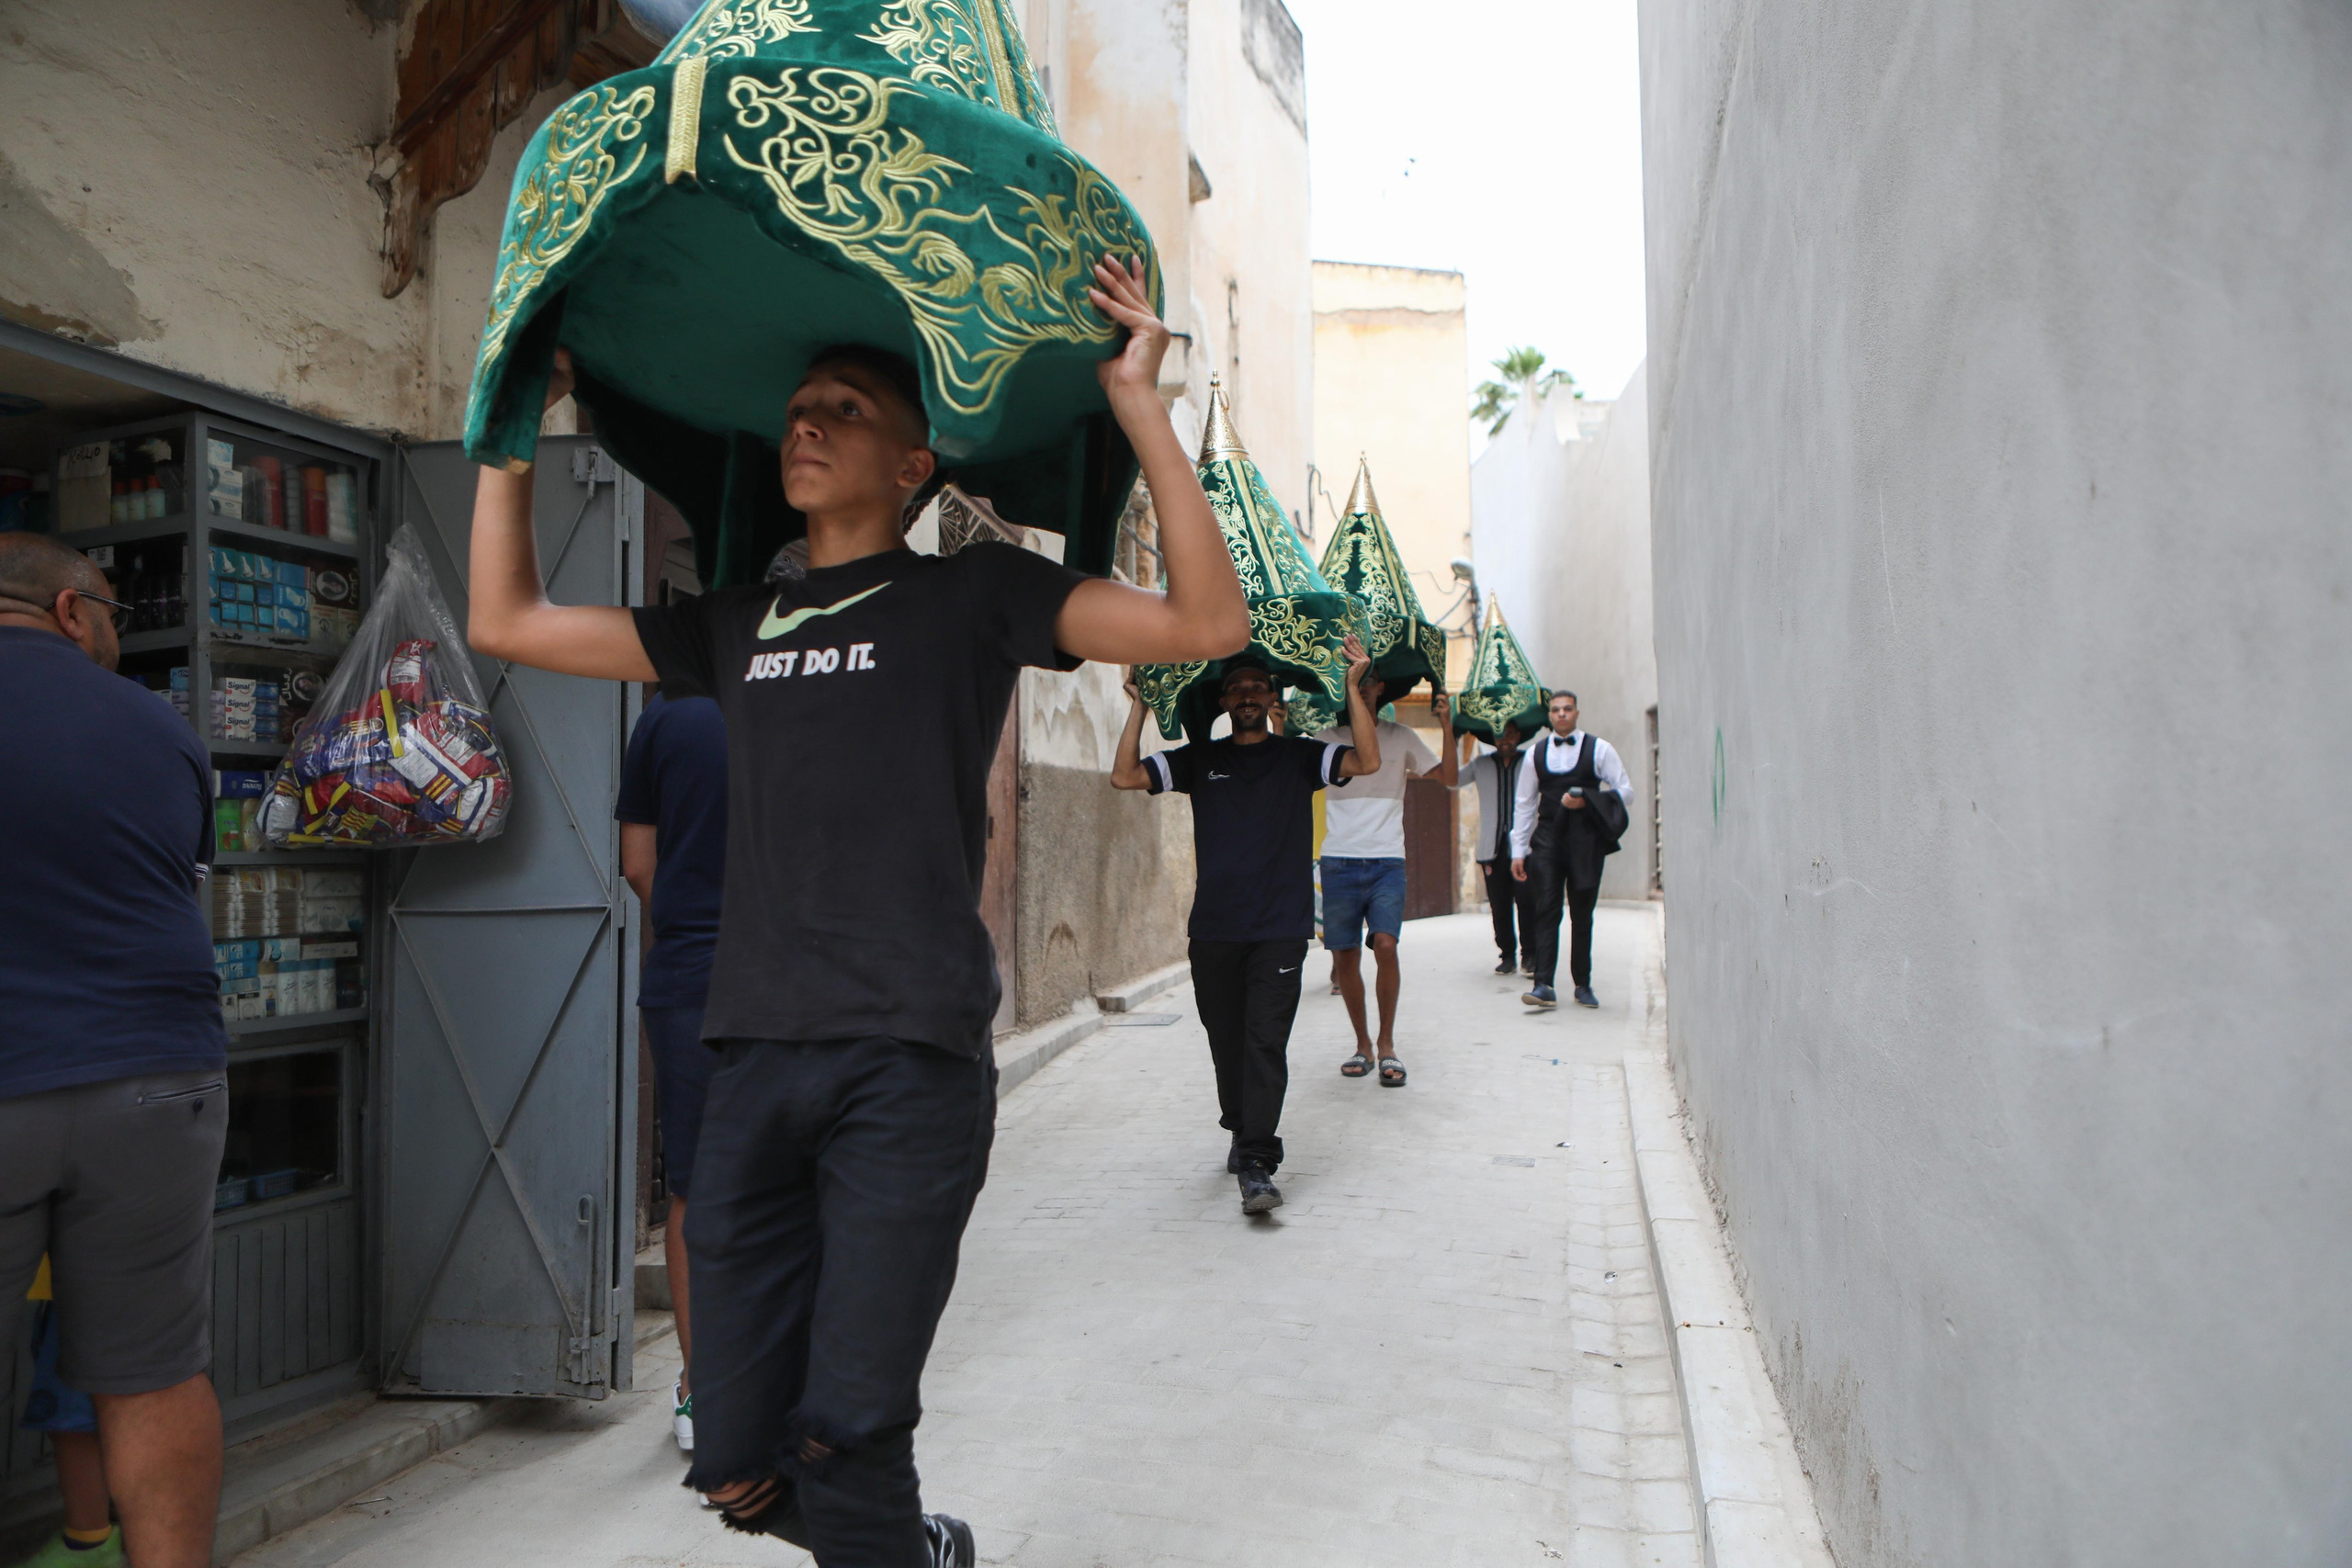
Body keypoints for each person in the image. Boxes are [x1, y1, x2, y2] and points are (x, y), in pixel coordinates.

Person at [463, 255, 1248, 1568]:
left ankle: (889, 1532)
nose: (807, 426)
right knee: (734, 1462)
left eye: (844, 410)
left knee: (849, 1431)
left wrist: (1140, 406)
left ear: (913, 465)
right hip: (753, 1057)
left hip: (906, 1059)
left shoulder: (975, 595)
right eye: (798, 412)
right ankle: (910, 1549)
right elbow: (504, 617)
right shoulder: (734, 622)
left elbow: (1207, 622)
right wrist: (506, 430)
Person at [0, 533, 229, 1568]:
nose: (116, 640)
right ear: (67, 611)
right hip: (158, 1077)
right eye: (111, 617)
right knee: (154, 1371)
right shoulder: (160, 727)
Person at [1109, 646, 1380, 1213]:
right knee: (1226, 1040)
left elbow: (1366, 761)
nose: (1249, 695)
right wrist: (1138, 706)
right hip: (1214, 930)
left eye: (1259, 686)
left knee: (1264, 1042)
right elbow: (1124, 775)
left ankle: (1258, 1162)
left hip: (1279, 928)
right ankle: (1240, 1126)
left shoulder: (1300, 756)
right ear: (1225, 701)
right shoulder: (1199, 759)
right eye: (1239, 688)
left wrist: (1354, 688)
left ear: (1272, 698)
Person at [616, 692, 729, 1457]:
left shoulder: (663, 717)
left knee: (693, 1186)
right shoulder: (803, 690)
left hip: (689, 977)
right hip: (794, 975)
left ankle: (703, 1388)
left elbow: (636, 863)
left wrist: (688, 917)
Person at [1315, 674, 1456, 1088]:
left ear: (1381, 688)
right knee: (1344, 959)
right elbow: (1287, 773)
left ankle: (1387, 1042)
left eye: (1369, 680)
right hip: (1338, 862)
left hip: (1387, 862)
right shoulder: (1325, 739)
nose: (1361, 686)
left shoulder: (1402, 736)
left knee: (1386, 945)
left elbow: (1448, 777)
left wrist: (1447, 725)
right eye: (1352, 679)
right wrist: (1279, 725)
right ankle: (1363, 1045)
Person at [1510, 691, 1634, 1009]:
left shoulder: (1599, 748)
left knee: (1582, 914)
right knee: (1546, 908)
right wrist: (1518, 850)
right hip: (1548, 839)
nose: (1562, 714)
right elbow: (1524, 804)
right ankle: (1543, 984)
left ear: (1576, 713)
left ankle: (1583, 985)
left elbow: (1626, 791)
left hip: (1585, 841)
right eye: (1556, 710)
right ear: (1549, 716)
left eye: (1567, 709)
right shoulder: (1535, 754)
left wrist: (1589, 800)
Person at [17, 1258, 124, 1568]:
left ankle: (89, 1543)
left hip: (84, 1279)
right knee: (118, 1408)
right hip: (118, 1279)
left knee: (72, 1416)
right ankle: (125, 1511)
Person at [1452, 719, 1530, 976]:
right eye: (1500, 735)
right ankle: (1507, 955)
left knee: (1529, 903)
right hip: (1491, 849)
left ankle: (1530, 955)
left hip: (1526, 849)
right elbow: (1452, 780)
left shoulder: (1531, 762)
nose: (1505, 740)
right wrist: (1452, 739)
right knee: (1499, 906)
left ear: (1518, 735)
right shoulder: (1480, 764)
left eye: (1510, 734)